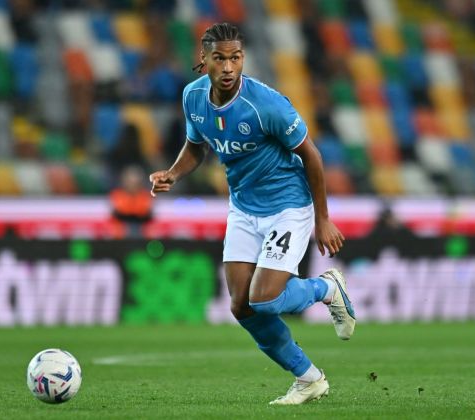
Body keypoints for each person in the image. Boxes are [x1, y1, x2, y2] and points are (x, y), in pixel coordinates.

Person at [149, 23, 356, 405]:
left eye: (236, 57)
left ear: (243, 58)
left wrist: (322, 219)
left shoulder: (266, 104)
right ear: (204, 59)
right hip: (243, 208)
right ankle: (309, 379)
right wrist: (173, 174)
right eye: (220, 58)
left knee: (264, 299)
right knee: (241, 305)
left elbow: (311, 155)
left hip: (287, 207)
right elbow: (197, 145)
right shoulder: (192, 97)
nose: (228, 67)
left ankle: (327, 288)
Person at [110, 166, 153, 238]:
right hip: (120, 233)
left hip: (143, 232)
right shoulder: (117, 195)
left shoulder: (146, 195)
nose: (132, 184)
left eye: (135, 182)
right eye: (130, 181)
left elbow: (144, 213)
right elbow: (119, 213)